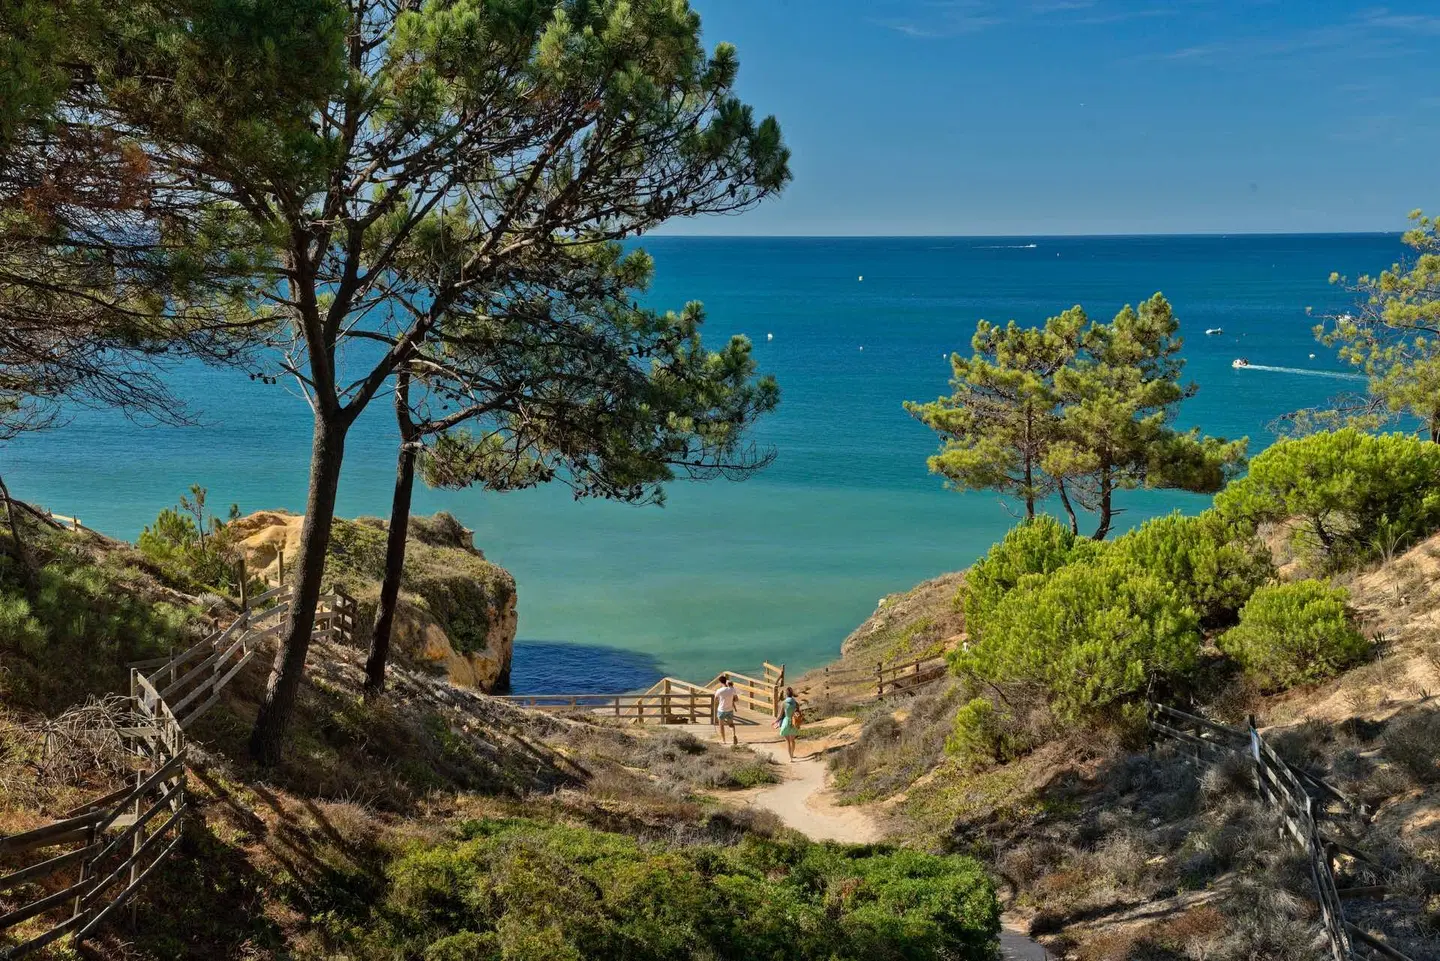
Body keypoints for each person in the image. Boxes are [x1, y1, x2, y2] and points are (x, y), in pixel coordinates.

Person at [778, 686, 802, 761]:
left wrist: (776, 721)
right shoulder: (796, 703)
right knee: (793, 740)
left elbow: (780, 715)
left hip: (786, 722)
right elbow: (798, 713)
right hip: (794, 722)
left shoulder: (784, 703)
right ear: (792, 694)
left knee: (788, 741)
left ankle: (790, 758)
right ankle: (792, 754)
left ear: (786, 694)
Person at [714, 675, 739, 746]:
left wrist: (716, 707)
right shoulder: (732, 689)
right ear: (726, 681)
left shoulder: (719, 690)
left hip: (721, 710)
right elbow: (736, 699)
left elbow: (715, 699)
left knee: (721, 726)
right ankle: (733, 735)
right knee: (731, 724)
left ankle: (723, 740)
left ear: (720, 682)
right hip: (730, 709)